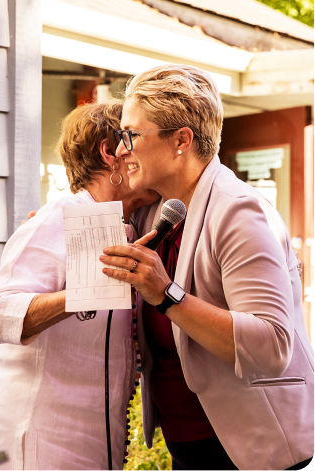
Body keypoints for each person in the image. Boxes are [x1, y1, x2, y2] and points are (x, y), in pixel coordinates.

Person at [100, 64, 314, 470]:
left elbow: (272, 346)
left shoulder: (238, 212)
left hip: (249, 447)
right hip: (189, 442)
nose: (123, 147)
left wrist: (167, 296)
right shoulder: (156, 211)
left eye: (131, 134)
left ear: (181, 139)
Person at [0, 100, 158, 470]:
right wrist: (82, 292)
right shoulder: (57, 218)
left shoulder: (130, 229)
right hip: (26, 441)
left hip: (91, 444)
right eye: (134, 139)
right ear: (108, 152)